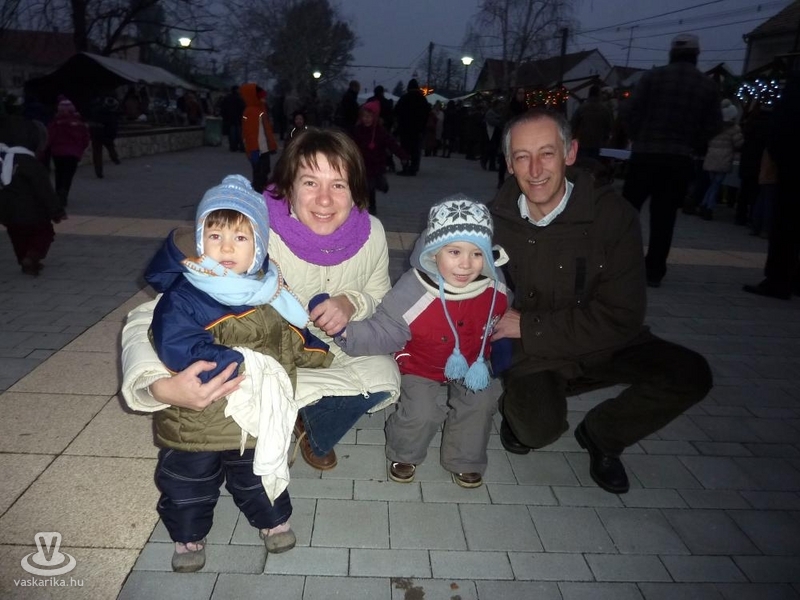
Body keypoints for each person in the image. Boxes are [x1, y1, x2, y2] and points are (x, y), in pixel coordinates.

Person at [120, 128, 400, 473]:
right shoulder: (249, 230)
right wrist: (159, 388)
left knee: (385, 376)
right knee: (243, 385)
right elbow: (154, 315)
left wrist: (352, 302)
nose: (325, 200)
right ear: (288, 187)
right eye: (310, 183)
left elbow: (380, 296)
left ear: (356, 190)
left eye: (338, 185)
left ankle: (308, 422)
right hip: (266, 351)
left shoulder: (372, 233)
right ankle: (284, 414)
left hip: (331, 348)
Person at [490, 108, 713, 494]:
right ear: (509, 163)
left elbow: (624, 314)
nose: (535, 169)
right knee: (536, 432)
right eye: (522, 156)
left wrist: (526, 324)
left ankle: (603, 434)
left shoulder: (613, 216)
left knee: (690, 373)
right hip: (534, 354)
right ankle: (524, 410)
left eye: (547, 153)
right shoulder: (491, 222)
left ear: (570, 152)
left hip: (601, 343)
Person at [134, 174, 333, 572]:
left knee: (259, 473)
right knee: (188, 484)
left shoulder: (269, 290)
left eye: (240, 237)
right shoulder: (186, 294)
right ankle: (188, 534)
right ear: (200, 240)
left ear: (259, 246)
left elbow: (290, 337)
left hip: (253, 420)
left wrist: (319, 353)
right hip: (196, 421)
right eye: (215, 235)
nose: (226, 247)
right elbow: (176, 344)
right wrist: (237, 361)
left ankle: (272, 520)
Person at [335, 196, 509, 488]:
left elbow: (503, 311)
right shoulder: (413, 290)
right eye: (454, 252)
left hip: (471, 361)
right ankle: (405, 452)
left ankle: (464, 458)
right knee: (422, 412)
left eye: (477, 254)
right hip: (420, 363)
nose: (466, 264)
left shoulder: (495, 287)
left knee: (481, 402)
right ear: (433, 252)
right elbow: (385, 329)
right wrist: (348, 334)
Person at [621, 33, 721, 288]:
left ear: (672, 53)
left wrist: (637, 135)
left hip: (645, 154)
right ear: (696, 55)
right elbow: (714, 124)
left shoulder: (652, 77)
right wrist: (693, 141)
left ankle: (616, 264)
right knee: (664, 218)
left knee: (626, 213)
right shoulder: (706, 85)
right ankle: (654, 270)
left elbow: (629, 111)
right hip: (678, 158)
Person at [743, 68, 800, 300]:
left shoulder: (795, 85)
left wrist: (779, 156)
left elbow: (783, 124)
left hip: (793, 167)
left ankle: (779, 280)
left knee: (786, 225)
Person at [0, 113, 66, 275]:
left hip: (7, 212)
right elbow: (44, 190)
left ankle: (23, 259)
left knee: (17, 237)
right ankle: (31, 257)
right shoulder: (31, 164)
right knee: (44, 233)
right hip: (33, 211)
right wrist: (56, 211)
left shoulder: (4, 160)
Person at [352, 100, 407, 215]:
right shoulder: (357, 130)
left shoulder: (380, 131)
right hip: (362, 163)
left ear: (375, 117)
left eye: (369, 117)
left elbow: (392, 144)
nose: (366, 119)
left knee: (375, 183)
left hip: (376, 163)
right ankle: (368, 205)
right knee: (367, 186)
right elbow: (350, 142)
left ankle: (381, 186)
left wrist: (402, 156)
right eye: (364, 117)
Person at [696, 99, 743, 221]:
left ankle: (704, 204)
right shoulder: (734, 128)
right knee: (716, 185)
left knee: (712, 184)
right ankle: (708, 207)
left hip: (711, 157)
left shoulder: (714, 126)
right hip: (725, 158)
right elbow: (739, 144)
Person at [46, 96, 90, 206]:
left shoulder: (55, 123)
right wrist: (80, 149)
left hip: (58, 152)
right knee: (68, 174)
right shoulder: (79, 123)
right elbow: (85, 139)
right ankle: (64, 193)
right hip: (73, 153)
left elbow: (50, 137)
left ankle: (58, 193)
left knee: (59, 173)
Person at [240, 83, 278, 193]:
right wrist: (254, 150)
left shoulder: (258, 108)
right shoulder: (252, 111)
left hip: (262, 147)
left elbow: (266, 129)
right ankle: (259, 194)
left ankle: (261, 192)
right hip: (257, 148)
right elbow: (251, 133)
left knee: (262, 172)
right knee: (260, 173)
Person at [394, 79, 431, 176]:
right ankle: (414, 167)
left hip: (405, 128)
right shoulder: (422, 99)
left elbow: (396, 111)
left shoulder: (404, 98)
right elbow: (427, 113)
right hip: (418, 129)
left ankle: (405, 166)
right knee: (416, 149)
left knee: (405, 149)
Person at [570, 83, 613, 162]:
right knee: (595, 164)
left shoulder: (582, 108)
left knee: (583, 164)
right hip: (598, 144)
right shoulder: (605, 109)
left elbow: (573, 124)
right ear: (599, 94)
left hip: (583, 143)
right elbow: (609, 126)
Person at [88, 92, 121, 179]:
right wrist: (112, 136)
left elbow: (91, 122)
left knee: (97, 153)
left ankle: (98, 171)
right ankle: (114, 158)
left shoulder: (95, 110)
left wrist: (91, 132)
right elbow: (113, 127)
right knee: (110, 146)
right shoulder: (111, 113)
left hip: (96, 133)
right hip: (106, 133)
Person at [220, 85, 245, 152]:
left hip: (230, 119)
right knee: (239, 134)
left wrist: (225, 117)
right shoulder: (239, 98)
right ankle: (241, 146)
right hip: (238, 119)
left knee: (232, 134)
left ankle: (233, 147)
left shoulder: (227, 98)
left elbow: (223, 108)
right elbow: (243, 108)